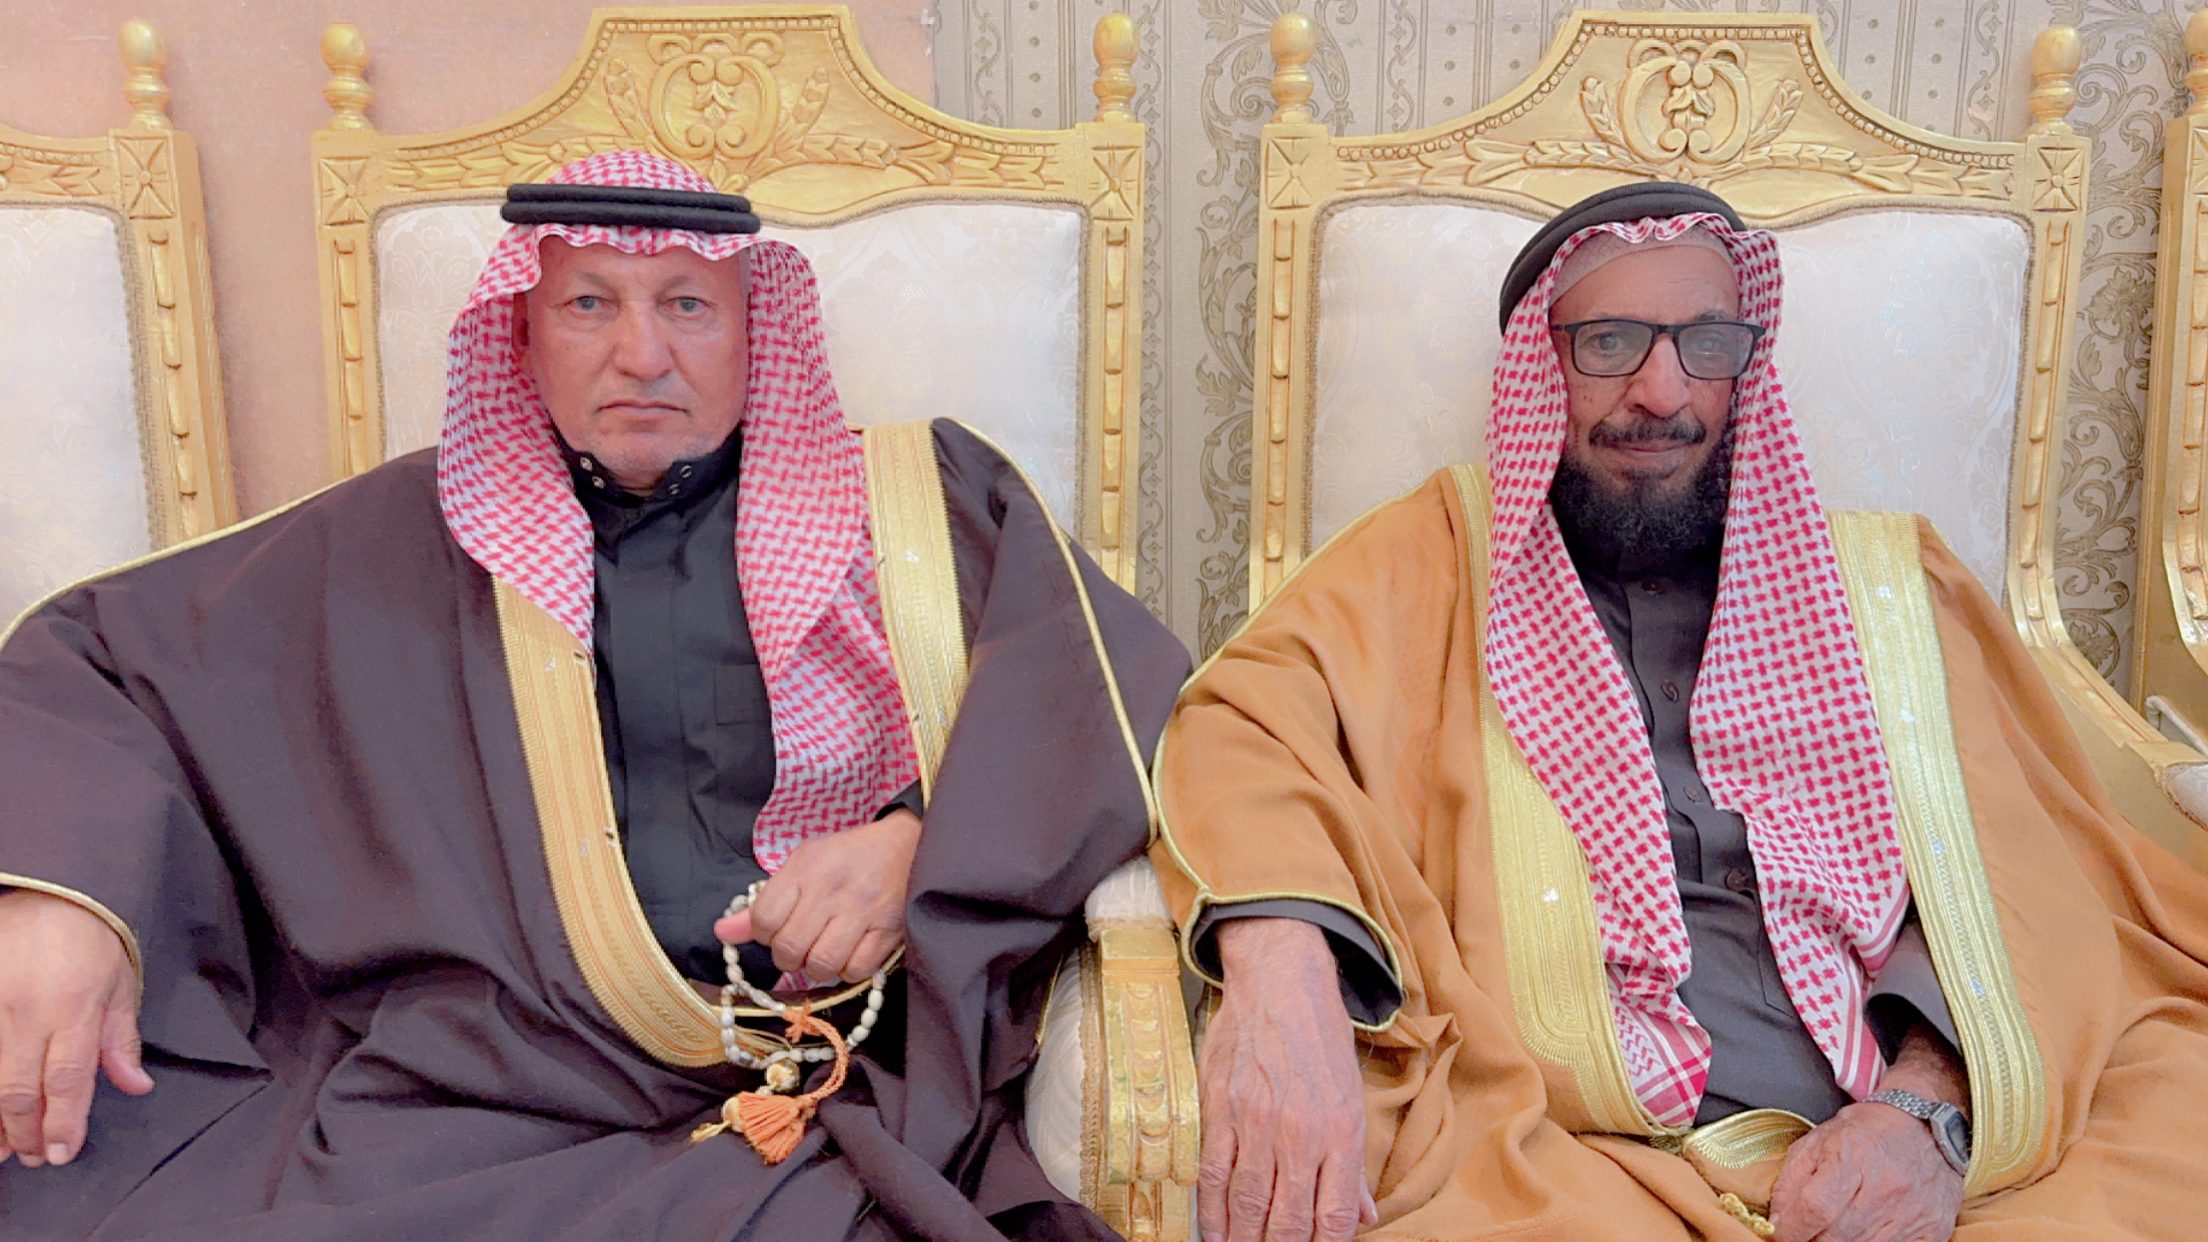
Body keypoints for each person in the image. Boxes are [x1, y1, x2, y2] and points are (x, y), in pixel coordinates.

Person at [0, 151, 1188, 1241]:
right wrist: (65, 902)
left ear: (752, 329)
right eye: (587, 304)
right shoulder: (395, 539)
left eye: (687, 305)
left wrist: (914, 845)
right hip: (477, 1090)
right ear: (520, 334)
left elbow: (1116, 696)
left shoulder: (922, 504)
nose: (642, 354)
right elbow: (91, 662)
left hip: (818, 1087)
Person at [1153, 181, 2208, 1241]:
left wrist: (1926, 1112)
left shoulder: (1890, 592)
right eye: (1609, 342)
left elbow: (2022, 873)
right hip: (1563, 1159)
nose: (1663, 392)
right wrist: (1280, 962)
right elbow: (1242, 724)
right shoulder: (1429, 565)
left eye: (1705, 343)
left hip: (1949, 1152)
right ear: (1540, 368)